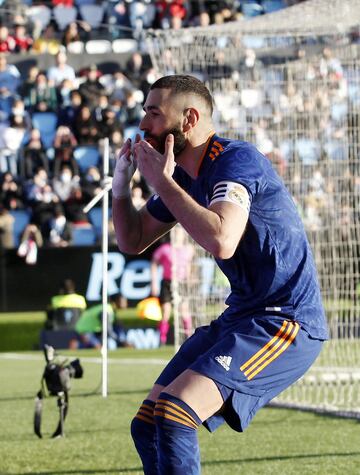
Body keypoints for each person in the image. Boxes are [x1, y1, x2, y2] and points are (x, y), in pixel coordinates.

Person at [111, 74, 328, 474]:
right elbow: (132, 239)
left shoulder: (235, 160)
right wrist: (122, 186)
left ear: (189, 119)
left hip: (286, 322)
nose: (143, 125)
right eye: (144, 114)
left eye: (154, 114)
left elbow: (222, 239)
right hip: (243, 317)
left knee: (176, 412)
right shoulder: (186, 178)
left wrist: (159, 179)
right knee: (147, 426)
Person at [151, 228, 193, 345]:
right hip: (167, 282)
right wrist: (153, 282)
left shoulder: (189, 249)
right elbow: (154, 264)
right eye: (174, 233)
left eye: (178, 233)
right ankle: (162, 339)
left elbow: (188, 266)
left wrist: (189, 280)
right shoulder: (164, 249)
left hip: (181, 283)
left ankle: (188, 336)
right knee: (166, 311)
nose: (176, 235)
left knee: (184, 310)